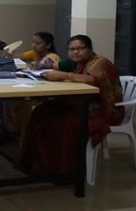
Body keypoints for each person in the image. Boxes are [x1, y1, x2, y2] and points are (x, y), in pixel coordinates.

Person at [18, 34, 124, 177]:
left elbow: (93, 79)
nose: (75, 52)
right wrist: (41, 66)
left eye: (80, 48)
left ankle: (63, 170)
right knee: (41, 111)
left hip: (101, 109)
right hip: (80, 103)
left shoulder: (99, 62)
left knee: (62, 122)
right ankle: (37, 162)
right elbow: (56, 65)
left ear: (90, 49)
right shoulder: (77, 63)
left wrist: (65, 76)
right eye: (71, 49)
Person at [0, 32, 61, 142]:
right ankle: (0, 128)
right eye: (33, 42)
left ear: (48, 45)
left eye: (38, 43)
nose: (34, 45)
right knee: (3, 98)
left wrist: (37, 66)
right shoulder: (34, 53)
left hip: (44, 91)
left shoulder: (53, 57)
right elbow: (12, 57)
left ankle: (10, 130)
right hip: (33, 85)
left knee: (9, 100)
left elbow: (46, 68)